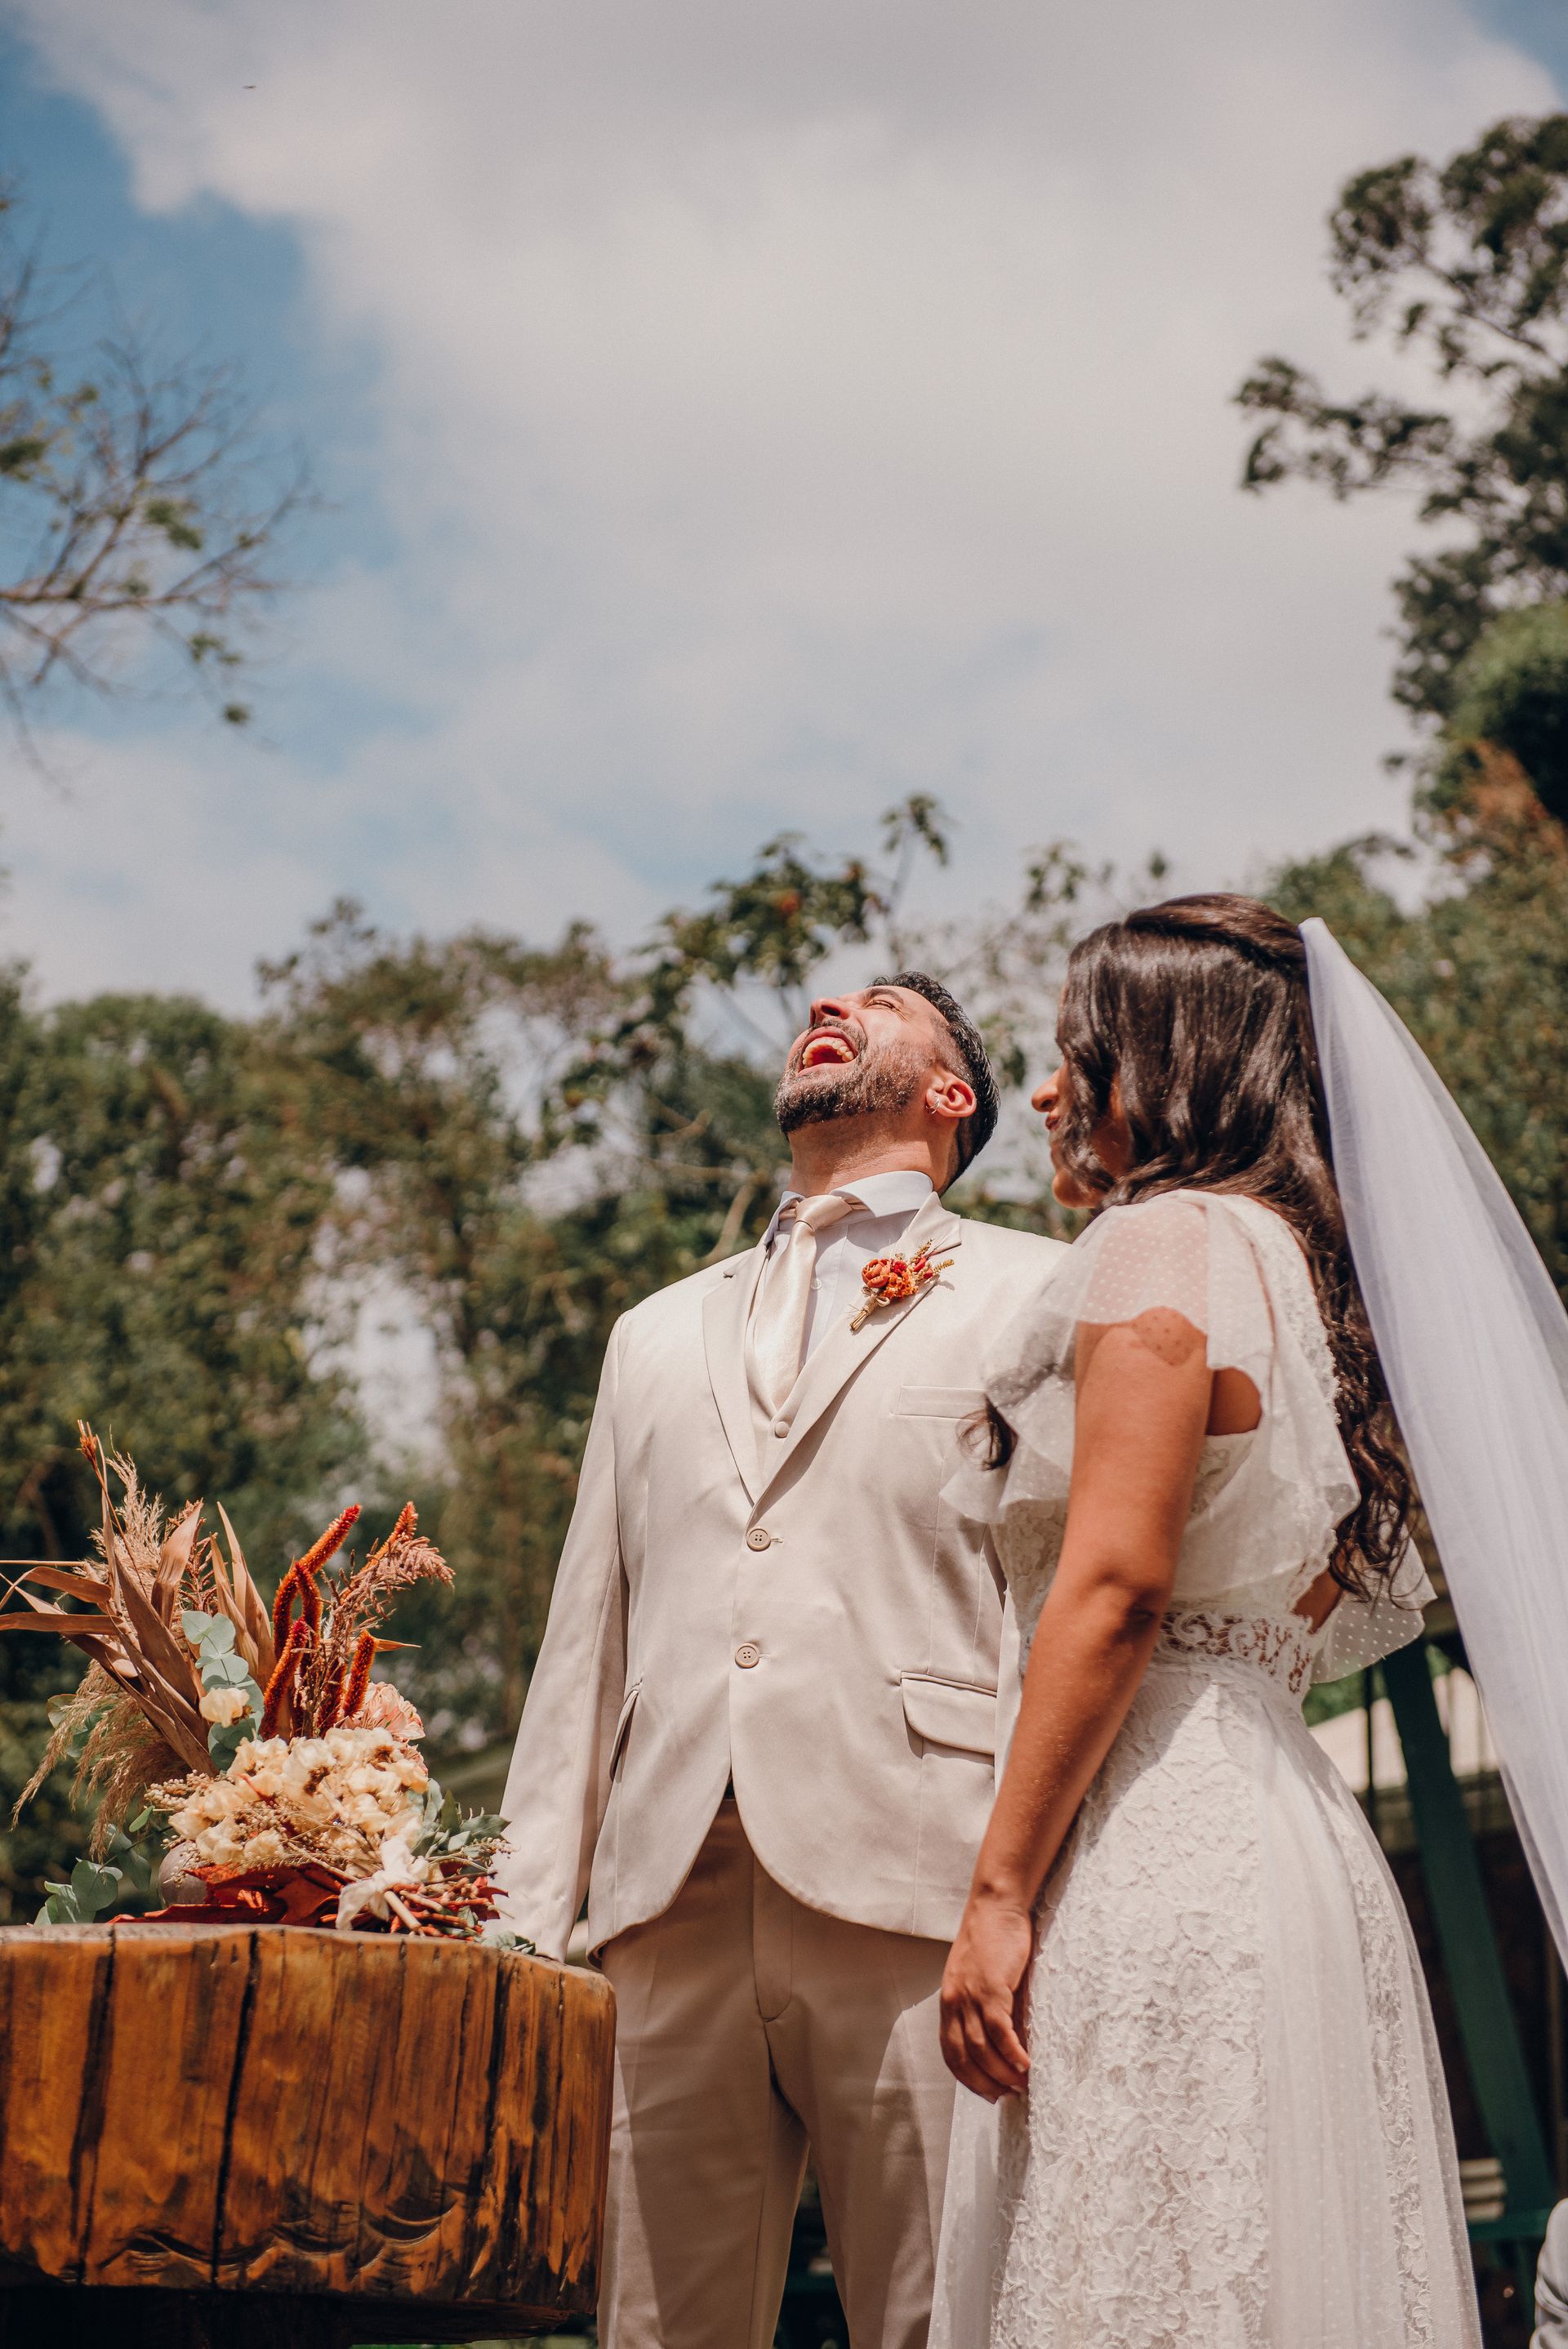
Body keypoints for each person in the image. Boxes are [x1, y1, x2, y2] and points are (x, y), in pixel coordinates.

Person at [933, 896, 1482, 2347]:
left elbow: (1116, 1594)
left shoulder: (1165, 1244)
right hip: (1289, 1829)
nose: (1049, 1092)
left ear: (1164, 1065)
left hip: (1151, 1841)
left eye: (1076, 1054)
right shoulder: (1326, 1293)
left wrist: (995, 1900)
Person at [497, 972, 1066, 2349]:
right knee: (648, 2329)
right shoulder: (648, 1336)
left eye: (881, 1001)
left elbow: (1050, 1612)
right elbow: (585, 1644)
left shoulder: (1035, 1290)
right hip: (662, 1910)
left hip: (918, 1894)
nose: (832, 1000)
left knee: (946, 2325)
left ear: (952, 1095)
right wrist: (524, 1932)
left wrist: (1025, 1896)